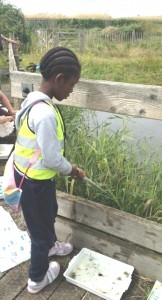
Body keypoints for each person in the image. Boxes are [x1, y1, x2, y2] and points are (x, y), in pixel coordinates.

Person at [13, 46, 85, 294]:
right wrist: (72, 169)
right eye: (71, 85)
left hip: (32, 177)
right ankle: (37, 278)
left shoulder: (33, 100)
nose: (71, 90)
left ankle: (51, 244)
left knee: (48, 214)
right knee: (38, 232)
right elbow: (53, 159)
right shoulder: (45, 114)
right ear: (59, 79)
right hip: (33, 184)